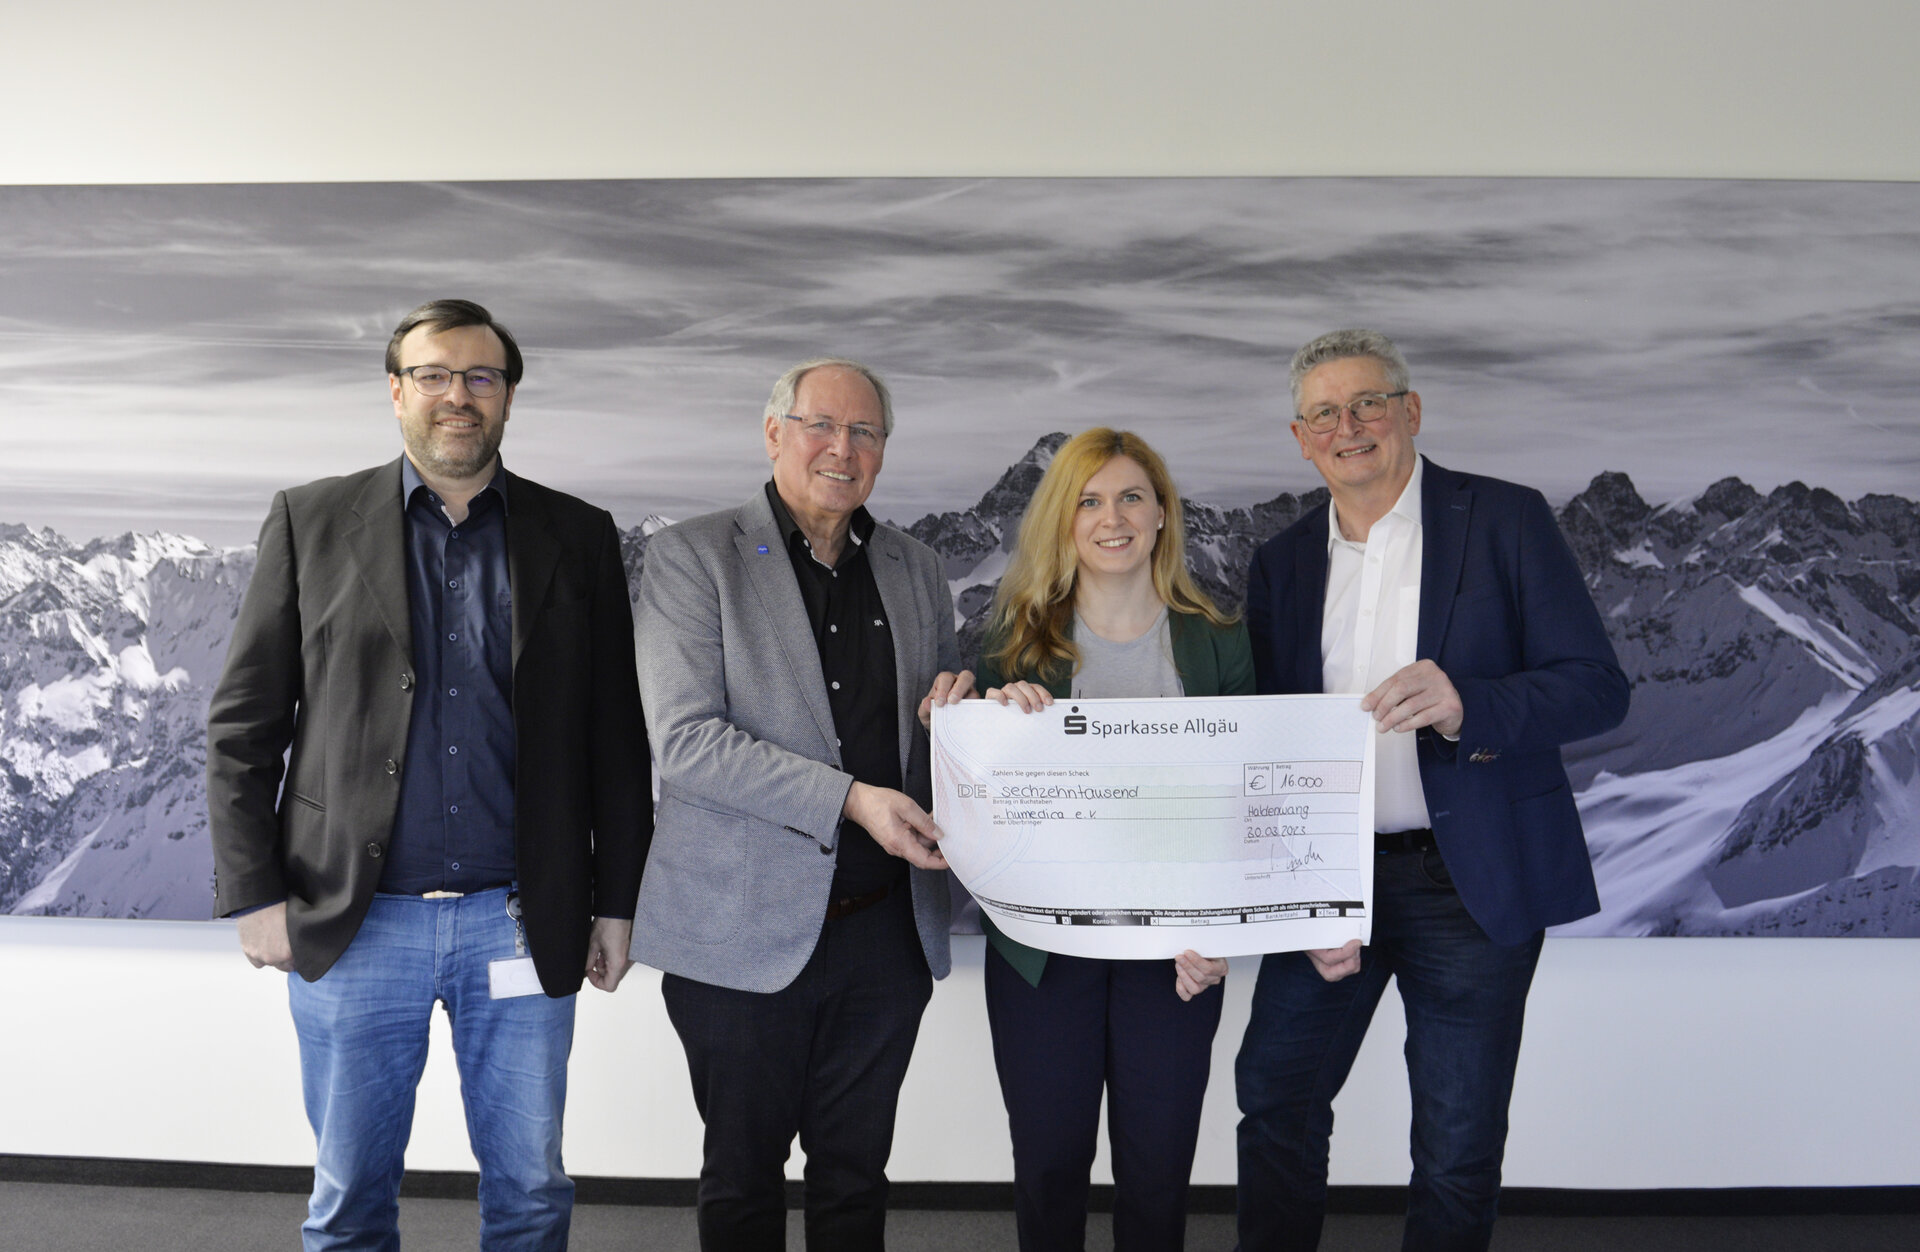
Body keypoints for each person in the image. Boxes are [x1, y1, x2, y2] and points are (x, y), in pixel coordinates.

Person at [205, 298, 650, 1251]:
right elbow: (244, 727)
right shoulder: (310, 520)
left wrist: (616, 901)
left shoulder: (577, 534)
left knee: (531, 1195)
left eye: (481, 377)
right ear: (396, 391)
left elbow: (616, 738)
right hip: (355, 922)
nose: (459, 395)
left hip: (520, 918)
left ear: (509, 395)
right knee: (350, 1203)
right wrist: (254, 893)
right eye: (435, 375)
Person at [1235, 329, 1630, 1250]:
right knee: (1275, 1102)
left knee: (1456, 1145)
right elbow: (1265, 739)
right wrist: (1294, 892)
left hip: (1469, 885)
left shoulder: (1506, 519)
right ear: (1300, 440)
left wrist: (1468, 705)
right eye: (1324, 414)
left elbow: (1597, 687)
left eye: (1367, 403)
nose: (1348, 427)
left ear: (1410, 411)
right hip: (1328, 883)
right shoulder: (1280, 563)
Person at [630, 358, 971, 1251]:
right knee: (742, 1182)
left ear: (883, 452)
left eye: (865, 433)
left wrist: (960, 709)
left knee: (855, 1181)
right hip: (738, 933)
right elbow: (687, 741)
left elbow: (932, 721)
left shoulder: (916, 568)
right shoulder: (693, 556)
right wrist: (851, 800)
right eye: (821, 425)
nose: (841, 449)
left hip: (884, 936)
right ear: (774, 433)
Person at [973, 427, 1252, 1251]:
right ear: (1064, 520)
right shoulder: (1013, 647)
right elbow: (980, 803)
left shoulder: (1220, 641)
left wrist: (1222, 933)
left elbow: (1246, 804)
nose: (1112, 518)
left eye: (1132, 496)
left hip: (1174, 956)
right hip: (1042, 953)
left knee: (1158, 1175)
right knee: (1049, 1167)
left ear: (1162, 513)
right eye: (1088, 501)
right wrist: (985, 720)